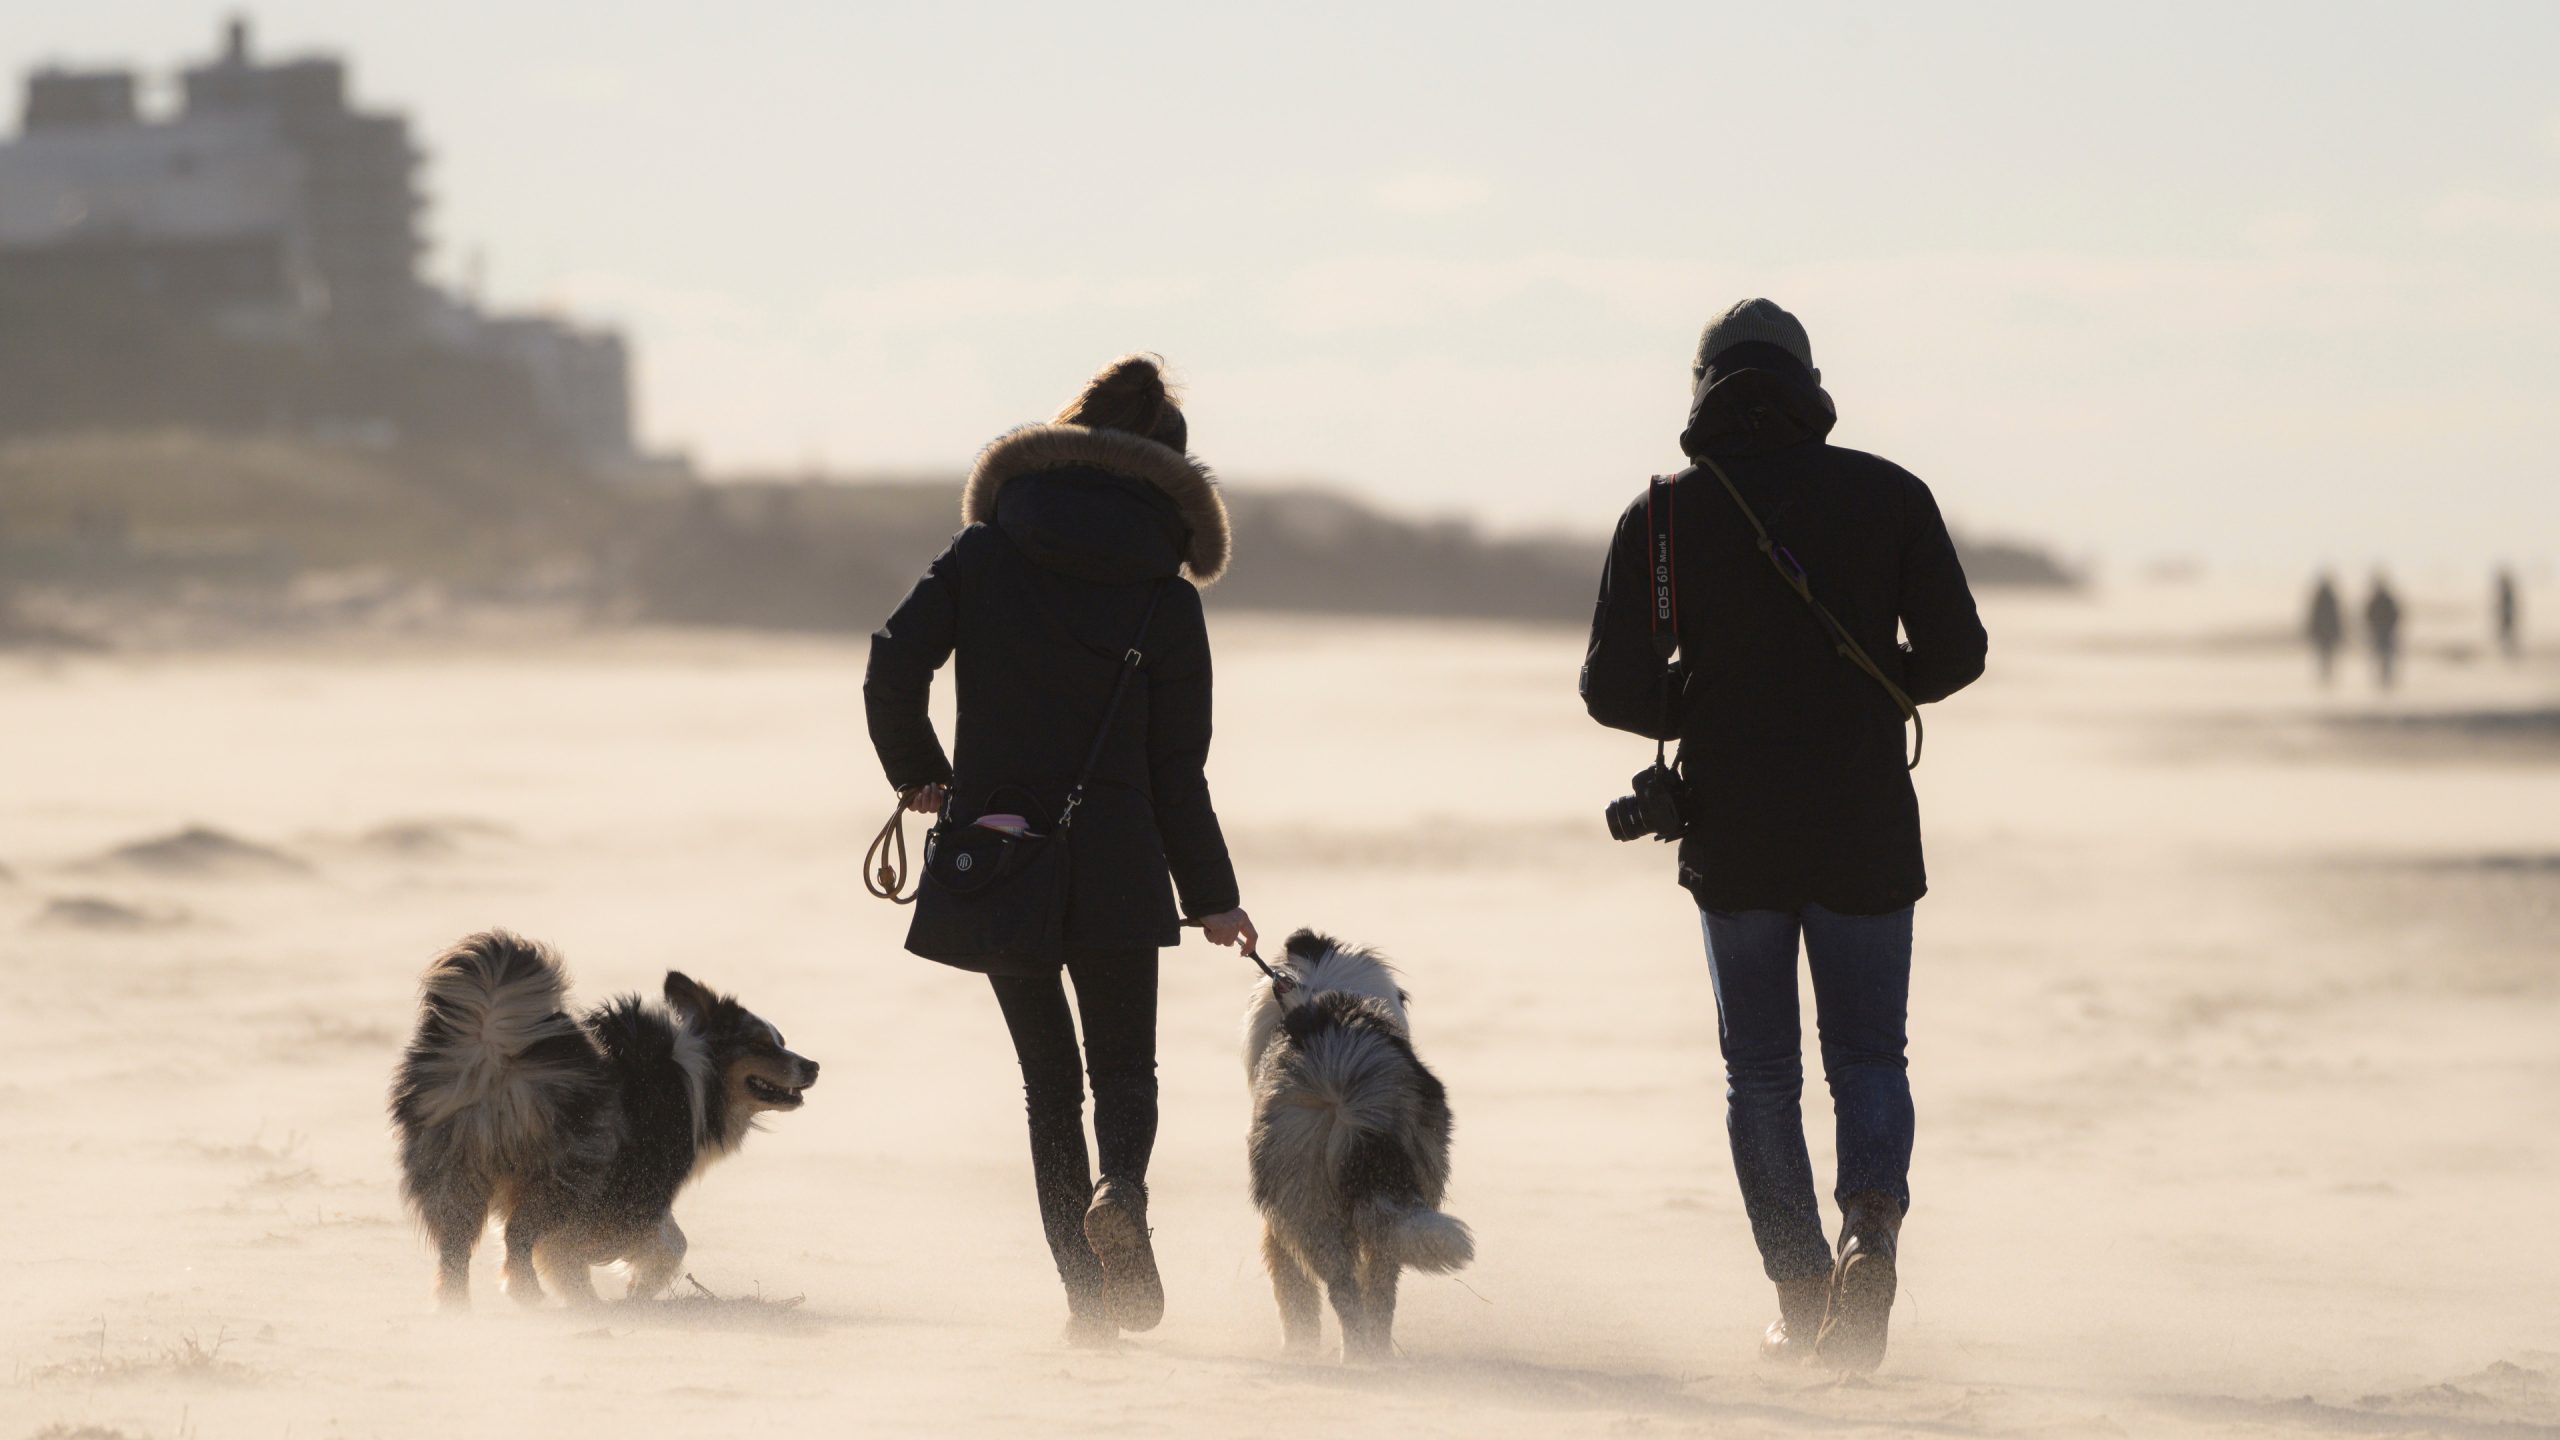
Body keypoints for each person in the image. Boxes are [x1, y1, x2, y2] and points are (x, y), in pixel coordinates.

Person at [1581, 300, 1987, 1373]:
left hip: (1734, 828)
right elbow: (1957, 654)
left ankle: (1800, 1291)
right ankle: (1871, 1234)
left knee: (1759, 1075)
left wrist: (1708, 704)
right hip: (1861, 820)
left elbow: (1609, 689)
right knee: (1867, 1054)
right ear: (1807, 381)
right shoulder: (1889, 493)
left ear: (1703, 384)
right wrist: (1867, 690)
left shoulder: (1663, 516)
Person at [864, 354, 1257, 1345]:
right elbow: (1179, 771)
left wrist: (919, 772)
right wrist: (1213, 897)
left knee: (1050, 1084)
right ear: (1167, 475)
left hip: (997, 851)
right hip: (1119, 859)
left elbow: (892, 663)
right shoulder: (1167, 601)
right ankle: (1121, 1187)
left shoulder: (983, 555)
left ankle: (1088, 1309)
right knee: (1124, 1071)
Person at [2365, 571, 2403, 690]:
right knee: (2382, 657)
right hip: (2381, 631)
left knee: (2384, 656)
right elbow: (2368, 615)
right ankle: (2383, 679)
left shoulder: (2382, 599)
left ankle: (2385, 679)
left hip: (2384, 631)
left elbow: (2396, 614)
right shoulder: (2381, 599)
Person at [2306, 573, 2345, 685]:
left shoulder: (2322, 598)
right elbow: (2316, 616)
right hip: (2324, 632)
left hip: (2325, 632)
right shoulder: (2327, 598)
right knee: (2326, 654)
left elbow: (2335, 616)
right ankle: (2326, 675)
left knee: (2326, 654)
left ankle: (2326, 674)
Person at [2495, 567, 2520, 661]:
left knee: (2507, 633)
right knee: (2506, 633)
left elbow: (2508, 605)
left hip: (2507, 616)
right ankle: (2507, 650)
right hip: (2506, 615)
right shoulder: (2505, 590)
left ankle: (2508, 651)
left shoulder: (2507, 590)